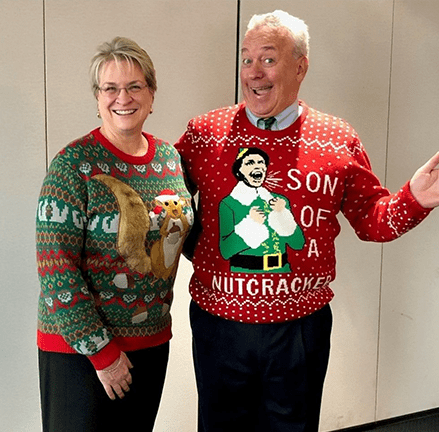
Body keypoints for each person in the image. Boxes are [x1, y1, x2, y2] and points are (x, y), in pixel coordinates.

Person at [175, 10, 439, 432]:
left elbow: (371, 220)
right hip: (219, 325)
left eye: (268, 59)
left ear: (301, 66)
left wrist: (415, 200)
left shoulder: (338, 138)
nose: (254, 73)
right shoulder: (205, 134)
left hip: (298, 330)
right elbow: (167, 197)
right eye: (246, 59)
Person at [36, 36, 193, 432]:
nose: (122, 97)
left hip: (151, 343)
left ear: (152, 93)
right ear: (98, 96)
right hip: (82, 353)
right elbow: (57, 269)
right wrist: (102, 353)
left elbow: (183, 237)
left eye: (135, 86)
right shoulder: (73, 166)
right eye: (111, 88)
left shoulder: (170, 159)